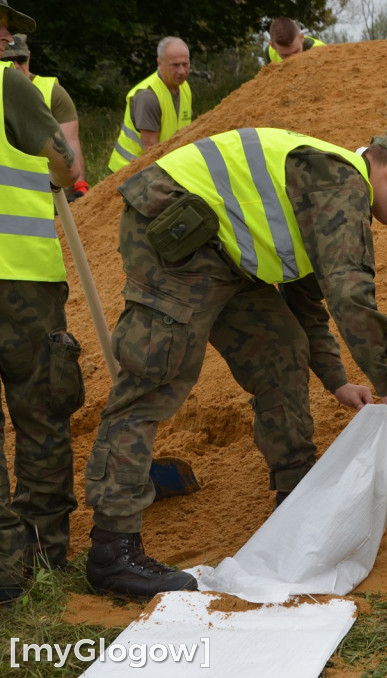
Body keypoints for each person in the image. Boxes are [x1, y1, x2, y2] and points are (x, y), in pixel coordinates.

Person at [84, 126, 387, 598]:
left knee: (280, 349)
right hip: (177, 226)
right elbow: (349, 293)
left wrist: (337, 381)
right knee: (154, 379)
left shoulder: (323, 187)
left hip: (221, 251)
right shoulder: (342, 186)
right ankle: (113, 550)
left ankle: (296, 499)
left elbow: (308, 303)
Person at [0, 0, 85, 606]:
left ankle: (3, 573)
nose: (8, 40)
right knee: (41, 413)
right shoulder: (11, 84)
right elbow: (65, 166)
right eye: (2, 29)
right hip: (19, 281)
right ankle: (40, 555)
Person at [2, 33, 89, 200]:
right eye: (8, 60)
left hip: (56, 191)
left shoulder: (53, 93)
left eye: (21, 59)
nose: (16, 65)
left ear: (29, 57)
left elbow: (70, 142)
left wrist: (80, 185)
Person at [107, 36, 192, 172]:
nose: (182, 71)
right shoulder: (148, 97)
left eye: (185, 64)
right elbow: (151, 151)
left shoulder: (184, 87)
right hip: (129, 172)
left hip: (166, 165)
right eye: (175, 65)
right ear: (160, 63)